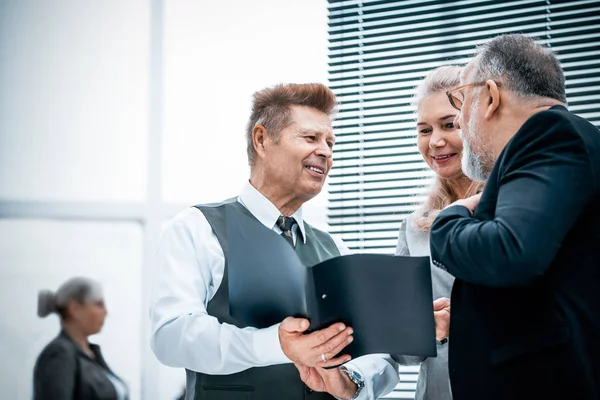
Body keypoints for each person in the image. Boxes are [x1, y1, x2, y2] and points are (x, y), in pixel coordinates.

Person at [150, 83, 400, 400]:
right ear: (262, 140)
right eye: (310, 138)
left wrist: (352, 381)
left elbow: (376, 350)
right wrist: (275, 345)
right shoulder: (198, 228)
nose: (326, 152)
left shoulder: (336, 249)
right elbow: (170, 336)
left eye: (330, 142)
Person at [429, 34, 600, 400]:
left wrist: (450, 219)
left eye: (461, 102)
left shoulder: (549, 134)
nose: (460, 121)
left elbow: (510, 251)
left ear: (490, 96)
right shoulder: (564, 143)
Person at [394, 65, 483, 400]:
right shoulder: (414, 226)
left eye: (449, 125)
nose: (435, 141)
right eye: (424, 129)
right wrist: (421, 329)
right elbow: (402, 353)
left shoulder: (517, 209)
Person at [33, 277, 129, 400]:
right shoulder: (59, 353)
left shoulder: (91, 354)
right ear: (75, 309)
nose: (105, 312)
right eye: (98, 304)